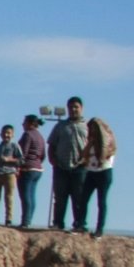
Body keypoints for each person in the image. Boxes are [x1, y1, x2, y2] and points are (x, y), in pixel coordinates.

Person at [48, 97, 88, 231]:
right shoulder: (60, 126)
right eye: (71, 107)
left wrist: (85, 160)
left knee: (79, 198)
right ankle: (58, 223)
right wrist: (53, 160)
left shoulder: (87, 127)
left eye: (76, 107)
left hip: (80, 168)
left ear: (81, 108)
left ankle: (79, 225)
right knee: (60, 198)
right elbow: (52, 144)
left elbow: (93, 147)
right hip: (61, 167)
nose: (73, 110)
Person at [78, 117, 116, 237]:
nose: (93, 130)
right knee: (83, 199)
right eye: (91, 128)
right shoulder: (91, 142)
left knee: (101, 201)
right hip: (91, 172)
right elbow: (83, 155)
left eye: (95, 128)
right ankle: (80, 224)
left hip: (104, 172)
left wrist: (101, 158)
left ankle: (99, 229)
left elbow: (108, 153)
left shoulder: (108, 142)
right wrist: (90, 143)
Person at [17, 114, 47, 229]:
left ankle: (25, 221)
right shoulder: (40, 136)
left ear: (29, 123)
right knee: (32, 195)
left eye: (24, 122)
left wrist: (19, 165)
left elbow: (22, 153)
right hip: (38, 168)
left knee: (25, 196)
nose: (23, 124)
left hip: (27, 168)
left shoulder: (28, 135)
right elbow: (43, 154)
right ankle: (29, 220)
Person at [0, 125, 21, 226]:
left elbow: (21, 160)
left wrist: (9, 160)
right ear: (0, 134)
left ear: (12, 134)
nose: (6, 135)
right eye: (4, 133)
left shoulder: (15, 147)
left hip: (10, 174)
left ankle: (8, 219)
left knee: (9, 197)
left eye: (9, 133)